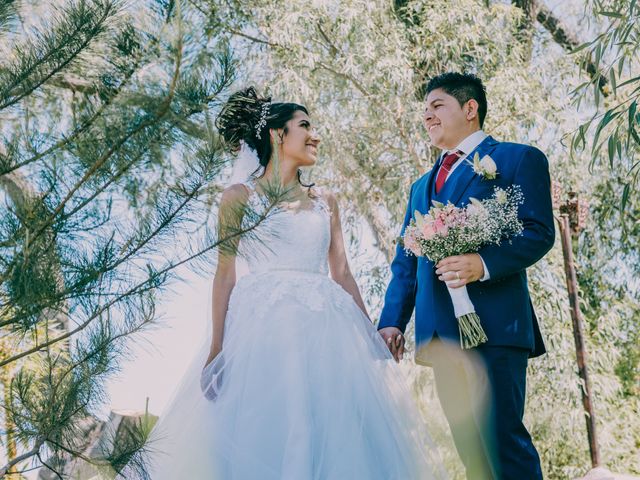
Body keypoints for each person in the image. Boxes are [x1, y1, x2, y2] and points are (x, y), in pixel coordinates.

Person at [137, 87, 444, 479]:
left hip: (325, 330)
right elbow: (225, 274)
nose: (315, 135)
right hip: (262, 331)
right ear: (277, 135)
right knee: (269, 426)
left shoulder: (325, 200)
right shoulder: (237, 198)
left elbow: (343, 273)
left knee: (329, 428)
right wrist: (216, 351)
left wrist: (370, 335)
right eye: (305, 126)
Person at [378, 72, 555, 479]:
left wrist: (484, 263)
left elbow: (539, 232)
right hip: (440, 334)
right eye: (424, 110)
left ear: (470, 109)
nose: (427, 116)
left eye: (437, 105)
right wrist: (391, 321)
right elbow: (407, 259)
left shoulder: (517, 159)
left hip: (495, 325)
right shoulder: (419, 187)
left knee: (501, 440)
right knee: (469, 450)